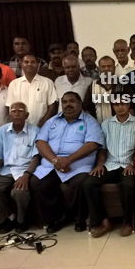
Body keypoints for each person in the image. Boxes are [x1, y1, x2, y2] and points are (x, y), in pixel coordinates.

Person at [31, 92, 105, 233]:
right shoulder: (51, 121)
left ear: (80, 104)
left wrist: (68, 160)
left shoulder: (90, 121)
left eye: (72, 101)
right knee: (37, 182)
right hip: (52, 164)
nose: (67, 105)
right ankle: (55, 218)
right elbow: (40, 143)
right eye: (64, 102)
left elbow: (92, 144)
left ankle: (78, 218)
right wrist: (56, 161)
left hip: (78, 165)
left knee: (80, 183)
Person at [84, 92, 135, 238]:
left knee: (128, 185)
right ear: (112, 106)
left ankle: (127, 222)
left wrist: (133, 164)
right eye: (116, 104)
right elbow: (102, 149)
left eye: (123, 104)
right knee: (89, 183)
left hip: (129, 164)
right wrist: (100, 164)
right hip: (110, 164)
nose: (120, 107)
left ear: (129, 105)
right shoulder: (106, 124)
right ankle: (104, 221)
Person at [0, 102, 41, 234]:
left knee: (19, 192)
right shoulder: (3, 130)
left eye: (20, 111)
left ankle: (21, 221)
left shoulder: (35, 130)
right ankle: (6, 220)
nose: (17, 113)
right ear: (9, 115)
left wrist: (26, 175)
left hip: (25, 170)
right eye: (14, 111)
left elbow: (36, 157)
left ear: (27, 115)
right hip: (6, 170)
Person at [7, 54, 58, 127]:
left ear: (38, 65)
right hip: (19, 129)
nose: (29, 64)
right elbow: (10, 108)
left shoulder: (47, 82)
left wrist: (41, 125)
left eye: (33, 62)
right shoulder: (14, 84)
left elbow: (52, 107)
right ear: (21, 64)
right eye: (26, 62)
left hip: (42, 128)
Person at [83, 56, 135, 123]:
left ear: (114, 68)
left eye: (109, 66)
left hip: (120, 128)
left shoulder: (123, 85)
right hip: (99, 128)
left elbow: (132, 108)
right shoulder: (92, 86)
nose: (106, 69)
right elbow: (88, 109)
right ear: (99, 69)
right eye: (103, 66)